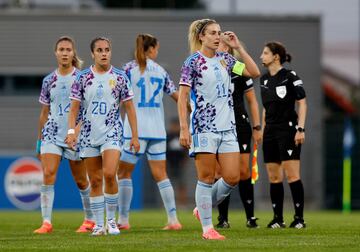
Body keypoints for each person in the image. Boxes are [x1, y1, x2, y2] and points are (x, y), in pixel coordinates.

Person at [178, 19, 260, 240]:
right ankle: (207, 228)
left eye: (219, 32)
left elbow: (254, 72)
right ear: (201, 37)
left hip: (228, 129)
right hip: (203, 128)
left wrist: (238, 47)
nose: (217, 36)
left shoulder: (227, 59)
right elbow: (183, 96)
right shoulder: (192, 63)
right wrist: (184, 128)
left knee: (233, 177)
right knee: (205, 177)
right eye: (212, 33)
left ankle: (201, 208)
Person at [66, 37, 140, 236]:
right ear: (92, 54)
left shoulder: (120, 76)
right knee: (95, 180)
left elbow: (130, 108)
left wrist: (134, 135)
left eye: (107, 49)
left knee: (109, 173)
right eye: (99, 50)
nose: (104, 53)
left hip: (112, 133)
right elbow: (73, 110)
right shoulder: (82, 78)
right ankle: (99, 225)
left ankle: (111, 221)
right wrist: (72, 132)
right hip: (89, 135)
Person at [117, 34, 182, 230]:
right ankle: (173, 220)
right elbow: (177, 96)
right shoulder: (161, 70)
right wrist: (192, 110)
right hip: (157, 131)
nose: (157, 52)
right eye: (156, 48)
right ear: (151, 49)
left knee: (123, 173)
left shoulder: (127, 69)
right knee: (161, 175)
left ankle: (123, 220)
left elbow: (118, 99)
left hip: (134, 131)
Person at [34, 36, 94, 234]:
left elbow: (87, 111)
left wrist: (75, 131)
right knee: (48, 174)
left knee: (81, 180)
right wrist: (39, 141)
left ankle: (89, 219)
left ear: (73, 53)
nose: (65, 53)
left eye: (68, 49)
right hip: (52, 133)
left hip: (75, 136)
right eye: (61, 49)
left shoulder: (83, 78)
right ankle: (46, 222)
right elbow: (44, 113)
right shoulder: (48, 80)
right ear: (56, 53)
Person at [215, 37, 262, 229]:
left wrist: (257, 127)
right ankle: (222, 218)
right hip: (219, 123)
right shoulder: (208, 66)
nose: (220, 45)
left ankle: (250, 217)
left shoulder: (235, 67)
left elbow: (251, 100)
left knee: (243, 171)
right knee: (220, 173)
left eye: (223, 43)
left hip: (240, 124)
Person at [259, 41, 307, 229]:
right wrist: (263, 131)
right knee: (273, 177)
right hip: (270, 131)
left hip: (288, 130)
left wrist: (300, 129)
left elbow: (302, 103)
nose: (261, 56)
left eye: (265, 53)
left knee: (292, 175)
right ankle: (277, 218)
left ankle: (299, 219)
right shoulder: (263, 79)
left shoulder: (290, 76)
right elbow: (266, 109)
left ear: (275, 56)